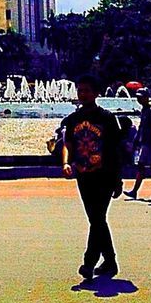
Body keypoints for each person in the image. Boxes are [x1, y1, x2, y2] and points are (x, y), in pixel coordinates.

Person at [61, 72, 123, 279]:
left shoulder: (107, 119)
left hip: (104, 176)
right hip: (83, 175)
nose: (83, 94)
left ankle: (89, 263)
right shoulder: (72, 120)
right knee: (96, 219)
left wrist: (117, 180)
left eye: (87, 90)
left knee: (97, 218)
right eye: (80, 90)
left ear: (96, 93)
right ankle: (110, 261)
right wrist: (66, 163)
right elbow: (67, 145)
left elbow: (116, 151)